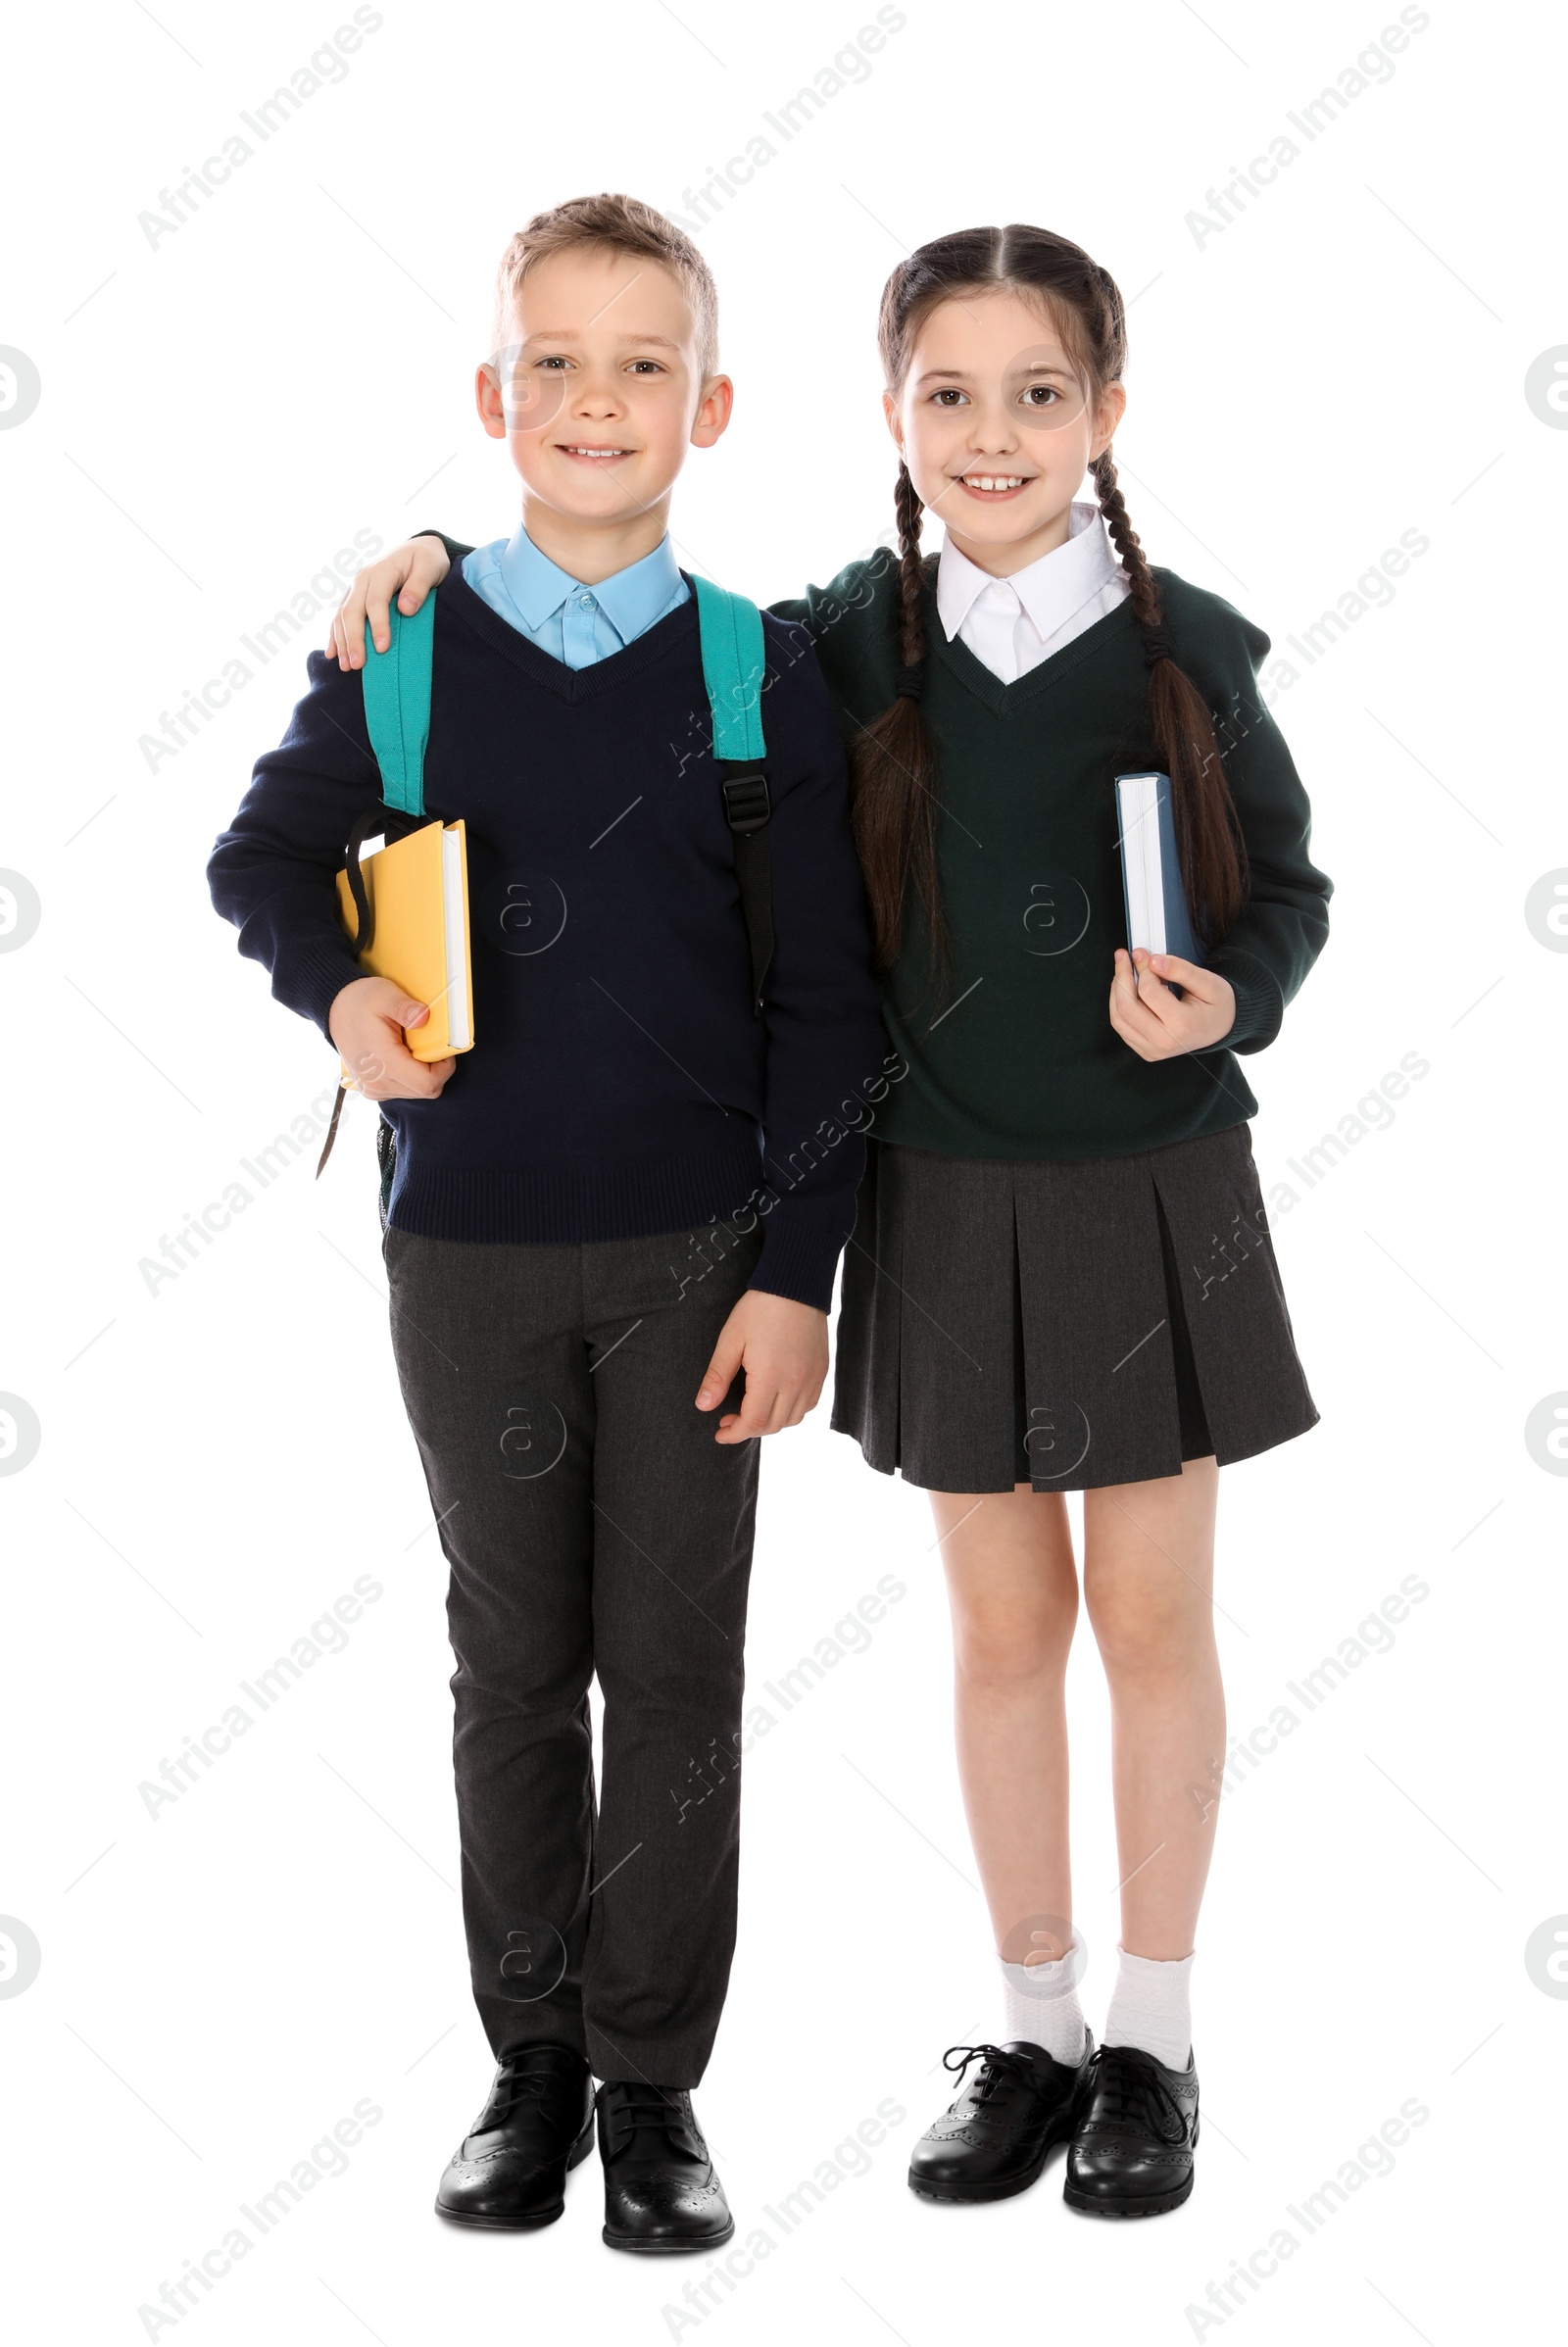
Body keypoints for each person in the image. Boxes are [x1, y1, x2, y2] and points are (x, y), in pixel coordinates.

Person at [327, 221, 1332, 2222]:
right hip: (936, 1191)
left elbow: (1283, 890)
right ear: (887, 415)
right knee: (992, 1630)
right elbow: (601, 609)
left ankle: (1153, 2037)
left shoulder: (1181, 643)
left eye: (1037, 393)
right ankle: (1032, 2031)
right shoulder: (835, 643)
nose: (990, 433)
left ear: (1104, 415)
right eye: (944, 394)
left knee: (1146, 1621)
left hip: (1147, 1190)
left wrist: (1230, 993)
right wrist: (420, 567)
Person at [207, 193, 885, 2253]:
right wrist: (338, 994)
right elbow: (263, 853)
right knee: (512, 1666)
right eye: (557, 365)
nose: (599, 402)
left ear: (713, 400)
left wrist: (790, 1272)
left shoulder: (762, 671)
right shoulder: (404, 648)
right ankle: (527, 2071)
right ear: (493, 395)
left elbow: (830, 1000)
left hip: (695, 1264)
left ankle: (653, 2088)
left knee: (673, 1674)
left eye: (643, 364)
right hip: (472, 1258)